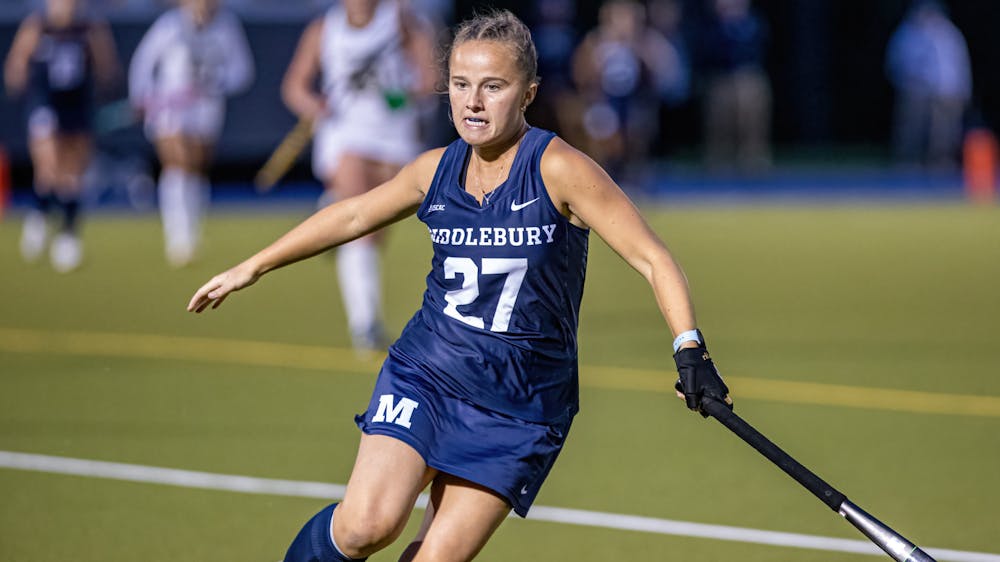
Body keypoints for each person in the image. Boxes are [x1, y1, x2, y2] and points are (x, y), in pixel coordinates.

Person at [188, 10, 732, 562]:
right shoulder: (434, 170)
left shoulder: (559, 169)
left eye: (493, 87)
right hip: (429, 372)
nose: (473, 102)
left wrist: (688, 346)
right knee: (365, 527)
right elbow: (351, 217)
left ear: (528, 93)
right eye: (460, 85)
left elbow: (652, 256)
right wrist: (252, 266)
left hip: (520, 405)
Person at [281, 0, 437, 354]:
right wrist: (314, 105)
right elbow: (294, 87)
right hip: (346, 136)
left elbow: (429, 80)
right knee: (358, 229)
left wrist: (403, 96)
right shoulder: (323, 30)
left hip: (394, 137)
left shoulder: (401, 22)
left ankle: (329, 211)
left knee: (374, 229)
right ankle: (365, 323)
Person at [128, 0, 254, 267]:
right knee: (177, 164)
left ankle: (192, 232)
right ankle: (177, 236)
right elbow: (143, 62)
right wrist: (143, 96)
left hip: (206, 109)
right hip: (169, 109)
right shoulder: (169, 25)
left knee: (196, 168)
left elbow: (242, 71)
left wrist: (214, 83)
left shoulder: (228, 26)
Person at [4, 0, 119, 272]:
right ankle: (40, 215)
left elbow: (106, 65)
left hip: (76, 106)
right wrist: (18, 78)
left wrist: (105, 86)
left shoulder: (90, 27)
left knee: (72, 173)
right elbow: (17, 62)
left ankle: (67, 234)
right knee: (48, 164)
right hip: (45, 102)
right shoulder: (38, 24)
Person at [568, 0, 679, 184]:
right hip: (604, 100)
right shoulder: (596, 41)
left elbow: (665, 69)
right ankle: (602, 175)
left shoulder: (645, 42)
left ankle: (635, 175)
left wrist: (642, 52)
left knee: (638, 131)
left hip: (634, 100)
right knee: (603, 134)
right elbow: (581, 73)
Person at [885, 0, 972, 170]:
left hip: (948, 89)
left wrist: (965, 88)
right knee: (911, 127)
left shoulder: (949, 34)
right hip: (915, 89)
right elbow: (897, 61)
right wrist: (907, 81)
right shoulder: (909, 33)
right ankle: (907, 161)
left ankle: (939, 162)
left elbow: (959, 63)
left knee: (944, 129)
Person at [696, 0, 771, 172]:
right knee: (720, 121)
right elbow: (707, 52)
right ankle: (718, 160)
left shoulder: (752, 24)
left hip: (748, 75)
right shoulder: (712, 27)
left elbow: (758, 47)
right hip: (721, 77)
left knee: (752, 119)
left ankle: (753, 159)